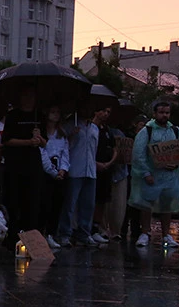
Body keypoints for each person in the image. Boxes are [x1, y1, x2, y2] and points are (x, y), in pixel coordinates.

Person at [129, 101, 179, 248]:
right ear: (154, 114)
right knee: (146, 204)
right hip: (152, 176)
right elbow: (138, 154)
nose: (164, 115)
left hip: (170, 177)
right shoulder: (147, 131)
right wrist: (145, 173)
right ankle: (145, 233)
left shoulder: (175, 130)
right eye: (161, 112)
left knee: (167, 206)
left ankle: (166, 235)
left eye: (167, 112)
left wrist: (177, 165)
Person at [57, 104, 108, 247]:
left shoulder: (94, 128)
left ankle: (84, 233)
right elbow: (62, 143)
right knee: (70, 204)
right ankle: (65, 233)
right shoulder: (69, 125)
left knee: (88, 204)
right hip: (75, 168)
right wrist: (71, 135)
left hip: (90, 170)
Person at [1, 88, 44, 248]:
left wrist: (39, 138)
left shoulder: (39, 116)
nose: (28, 99)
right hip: (15, 164)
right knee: (14, 201)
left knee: (32, 202)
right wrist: (27, 142)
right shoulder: (13, 116)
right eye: (25, 95)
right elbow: (7, 140)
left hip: (33, 165)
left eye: (31, 95)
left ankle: (31, 237)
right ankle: (12, 236)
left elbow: (45, 142)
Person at [39, 105, 70, 249]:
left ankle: (52, 232)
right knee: (45, 203)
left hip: (59, 170)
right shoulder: (42, 133)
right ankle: (42, 232)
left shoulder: (61, 134)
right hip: (46, 171)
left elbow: (65, 153)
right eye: (53, 112)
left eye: (58, 112)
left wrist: (63, 169)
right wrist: (52, 171)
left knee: (57, 204)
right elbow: (43, 153)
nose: (55, 115)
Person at [93, 105, 119, 240]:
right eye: (103, 110)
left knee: (102, 200)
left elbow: (114, 148)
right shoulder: (92, 128)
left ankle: (99, 226)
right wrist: (96, 163)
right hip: (93, 168)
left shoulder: (107, 130)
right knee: (93, 198)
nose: (106, 114)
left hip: (106, 168)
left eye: (108, 112)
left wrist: (110, 162)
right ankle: (92, 227)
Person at [122, 115, 148, 240]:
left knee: (137, 202)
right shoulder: (129, 137)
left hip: (140, 173)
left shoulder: (147, 139)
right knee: (127, 201)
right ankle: (122, 228)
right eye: (141, 124)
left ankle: (136, 229)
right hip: (129, 171)